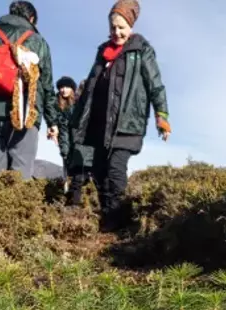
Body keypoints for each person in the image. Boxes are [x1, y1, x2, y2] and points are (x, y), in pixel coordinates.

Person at [69, 0, 170, 229]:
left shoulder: (141, 49)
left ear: (131, 26)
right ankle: (108, 221)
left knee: (115, 169)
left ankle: (119, 222)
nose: (116, 32)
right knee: (99, 171)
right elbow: (89, 89)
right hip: (98, 122)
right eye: (113, 27)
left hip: (126, 122)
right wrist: (77, 119)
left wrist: (161, 116)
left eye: (121, 27)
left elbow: (156, 84)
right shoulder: (102, 52)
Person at [0, 1, 59, 179]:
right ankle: (16, 205)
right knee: (21, 170)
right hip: (27, 111)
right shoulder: (38, 41)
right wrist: (52, 122)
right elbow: (47, 85)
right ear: (32, 19)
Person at [55, 76, 77, 189]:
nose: (63, 90)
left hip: (79, 141)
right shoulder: (56, 105)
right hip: (64, 140)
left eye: (67, 87)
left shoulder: (79, 103)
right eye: (61, 87)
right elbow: (61, 129)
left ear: (72, 88)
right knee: (67, 162)